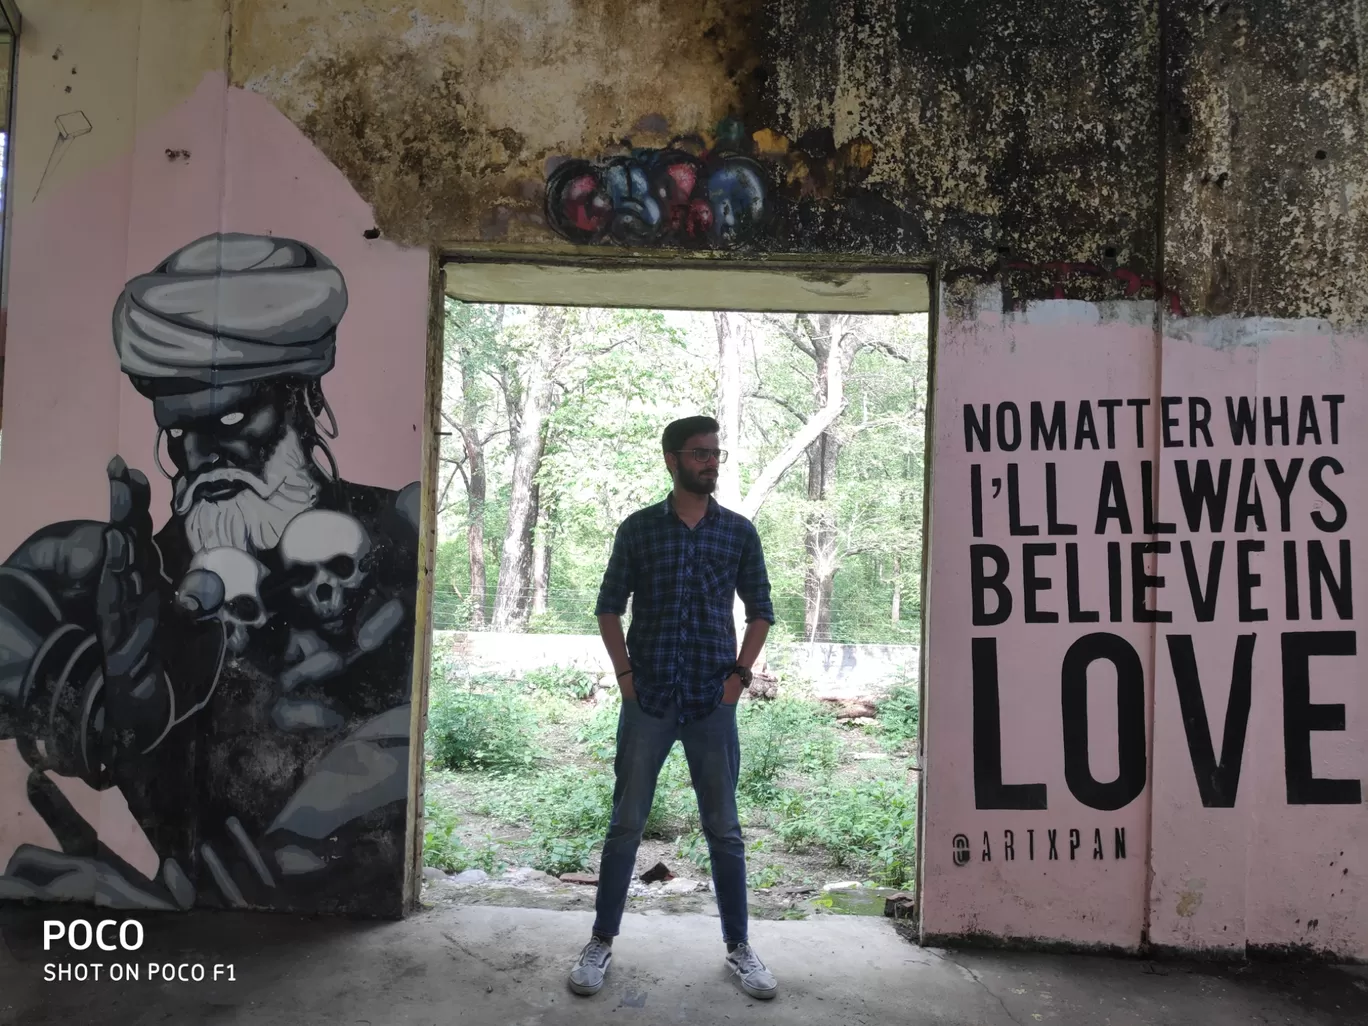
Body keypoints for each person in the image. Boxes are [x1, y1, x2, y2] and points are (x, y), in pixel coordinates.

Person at [0, 233, 418, 912]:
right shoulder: (127, 576)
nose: (204, 453)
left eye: (231, 418)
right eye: (180, 430)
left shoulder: (398, 538)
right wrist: (84, 695)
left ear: (306, 405)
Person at [568, 415, 778, 1000]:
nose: (711, 462)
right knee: (626, 826)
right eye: (700, 453)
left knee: (725, 832)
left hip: (712, 701)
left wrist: (739, 677)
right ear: (672, 460)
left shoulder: (737, 532)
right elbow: (609, 606)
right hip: (650, 699)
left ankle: (739, 948)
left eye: (716, 453)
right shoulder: (638, 530)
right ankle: (600, 942)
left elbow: (761, 609)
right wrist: (625, 676)